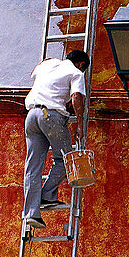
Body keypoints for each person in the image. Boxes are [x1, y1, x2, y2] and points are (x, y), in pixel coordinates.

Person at [23, 49, 90, 230]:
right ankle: (46, 194)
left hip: (31, 116)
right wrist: (80, 126)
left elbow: (33, 73)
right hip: (50, 116)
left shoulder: (47, 65)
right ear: (81, 64)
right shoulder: (76, 72)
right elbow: (76, 97)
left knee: (32, 167)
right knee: (66, 160)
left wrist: (48, 61)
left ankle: (32, 213)